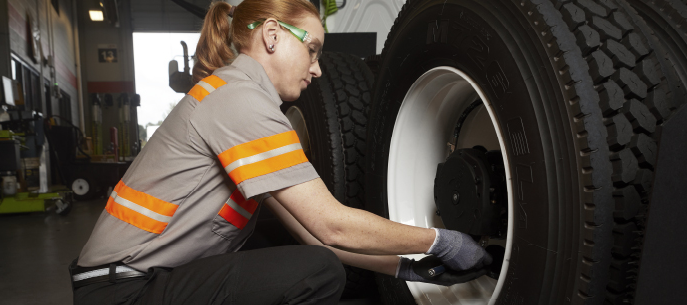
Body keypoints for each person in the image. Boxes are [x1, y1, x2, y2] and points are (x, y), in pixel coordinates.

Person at [68, 0, 492, 303]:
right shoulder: (239, 101)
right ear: (272, 35)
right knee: (316, 273)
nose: (318, 68)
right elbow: (332, 227)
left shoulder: (241, 98)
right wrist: (439, 241)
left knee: (297, 251)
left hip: (131, 280)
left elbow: (312, 233)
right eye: (312, 49)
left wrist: (405, 267)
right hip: (120, 291)